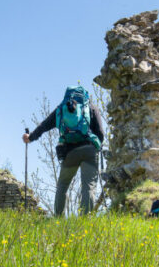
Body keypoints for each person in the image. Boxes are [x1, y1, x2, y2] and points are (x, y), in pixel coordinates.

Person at [23, 85, 104, 216]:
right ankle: (85, 221)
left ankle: (58, 218)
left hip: (69, 151)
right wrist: (96, 145)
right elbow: (100, 133)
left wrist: (30, 137)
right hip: (89, 150)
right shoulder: (91, 108)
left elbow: (43, 126)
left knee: (62, 186)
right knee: (88, 186)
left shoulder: (61, 109)